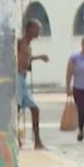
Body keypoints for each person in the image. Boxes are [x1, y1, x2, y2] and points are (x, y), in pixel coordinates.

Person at [17, 18, 49, 149]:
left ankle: (37, 141)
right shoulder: (19, 43)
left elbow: (27, 59)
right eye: (37, 28)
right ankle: (16, 138)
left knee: (34, 109)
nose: (39, 31)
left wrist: (39, 57)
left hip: (23, 79)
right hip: (17, 78)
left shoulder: (28, 46)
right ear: (30, 29)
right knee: (16, 110)